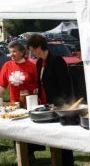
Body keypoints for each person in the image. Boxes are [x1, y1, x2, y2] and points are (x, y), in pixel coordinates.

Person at [26, 34, 74, 166]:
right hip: (47, 104)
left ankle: (67, 163)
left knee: (63, 138)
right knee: (52, 137)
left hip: (60, 105)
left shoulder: (57, 60)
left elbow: (65, 85)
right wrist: (38, 91)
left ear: (40, 47)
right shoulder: (40, 62)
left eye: (33, 50)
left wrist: (63, 104)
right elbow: (42, 82)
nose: (32, 53)